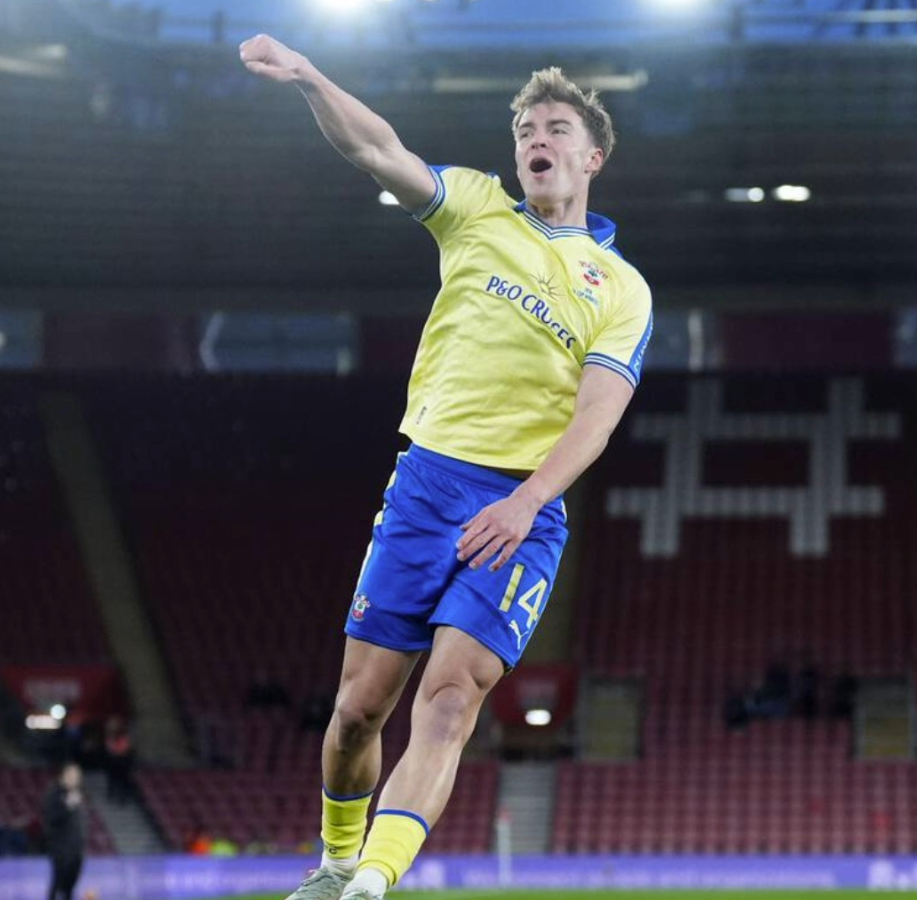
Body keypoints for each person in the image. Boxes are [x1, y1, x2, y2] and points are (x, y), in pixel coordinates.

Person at [239, 34, 652, 900]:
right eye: (526, 129)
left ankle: (369, 886)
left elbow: (598, 416)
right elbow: (374, 147)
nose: (536, 138)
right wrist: (313, 78)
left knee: (452, 698)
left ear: (592, 155)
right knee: (359, 709)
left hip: (520, 508)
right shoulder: (471, 207)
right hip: (427, 485)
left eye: (555, 127)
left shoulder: (620, 288)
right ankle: (337, 860)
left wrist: (529, 500)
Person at [42, 764, 86, 900]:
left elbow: (80, 822)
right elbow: (51, 818)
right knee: (58, 881)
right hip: (60, 848)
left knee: (71, 884)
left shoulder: (77, 794)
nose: (74, 780)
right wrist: (67, 806)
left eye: (76, 777)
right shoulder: (54, 793)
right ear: (63, 776)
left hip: (76, 848)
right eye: (71, 776)